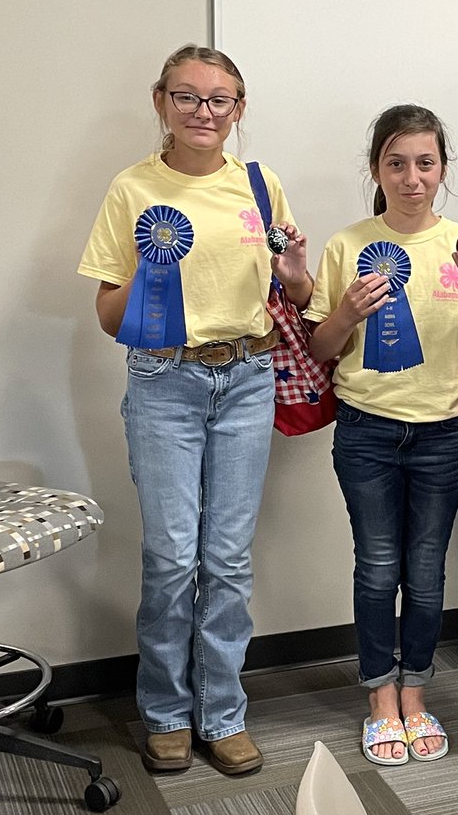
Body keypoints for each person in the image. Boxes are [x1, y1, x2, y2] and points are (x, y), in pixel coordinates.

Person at [79, 44, 310, 775]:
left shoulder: (258, 182)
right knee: (173, 557)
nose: (203, 112)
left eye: (220, 100)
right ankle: (167, 713)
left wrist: (299, 276)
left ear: (238, 110)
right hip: (164, 382)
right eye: (188, 97)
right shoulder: (132, 189)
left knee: (228, 559)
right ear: (161, 103)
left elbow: (295, 296)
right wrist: (150, 273)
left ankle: (223, 713)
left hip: (247, 375)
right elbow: (109, 315)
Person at [306, 105, 458, 765]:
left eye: (425, 163)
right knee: (376, 569)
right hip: (367, 430)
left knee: (425, 572)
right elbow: (320, 347)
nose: (411, 177)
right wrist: (344, 311)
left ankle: (416, 695)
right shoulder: (348, 244)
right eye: (396, 163)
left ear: (443, 169)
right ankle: (378, 699)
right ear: (377, 169)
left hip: (444, 435)